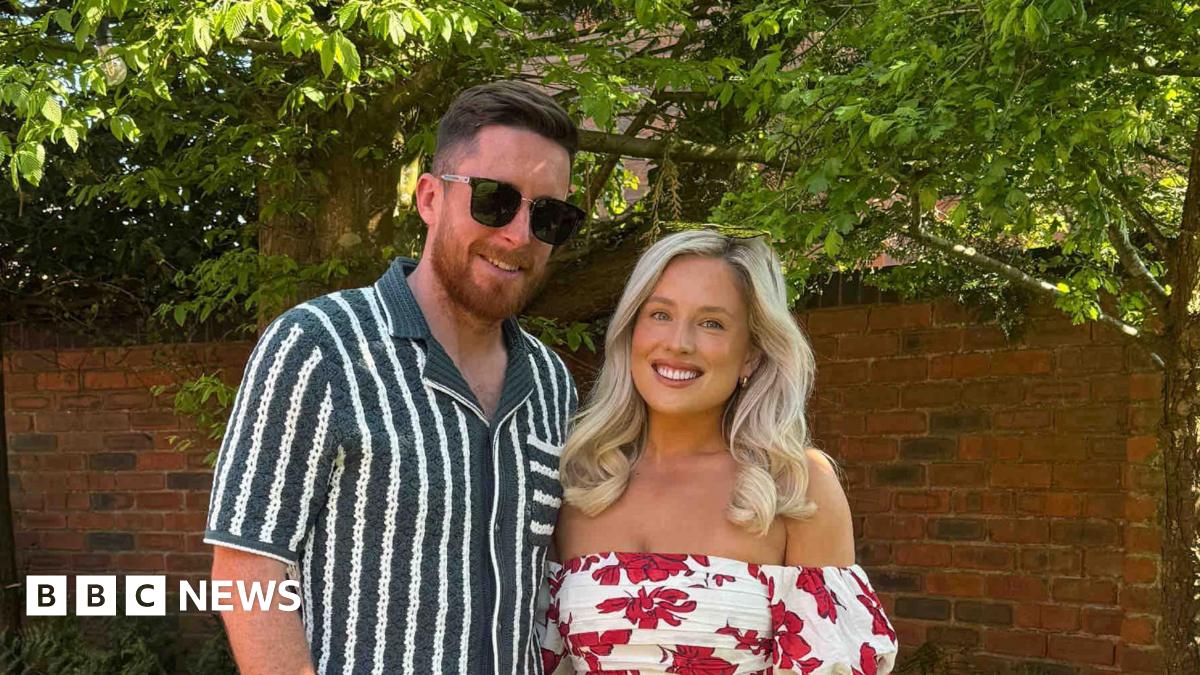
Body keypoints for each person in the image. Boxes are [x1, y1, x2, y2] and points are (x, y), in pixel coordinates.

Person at [206, 80, 585, 674]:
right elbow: (246, 568)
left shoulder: (551, 383)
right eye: (494, 200)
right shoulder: (318, 345)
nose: (518, 235)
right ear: (430, 198)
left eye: (548, 215)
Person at [541, 230, 898, 674]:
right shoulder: (578, 482)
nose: (679, 342)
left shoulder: (794, 487)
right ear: (631, 331)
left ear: (751, 353)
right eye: (660, 314)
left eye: (712, 323)